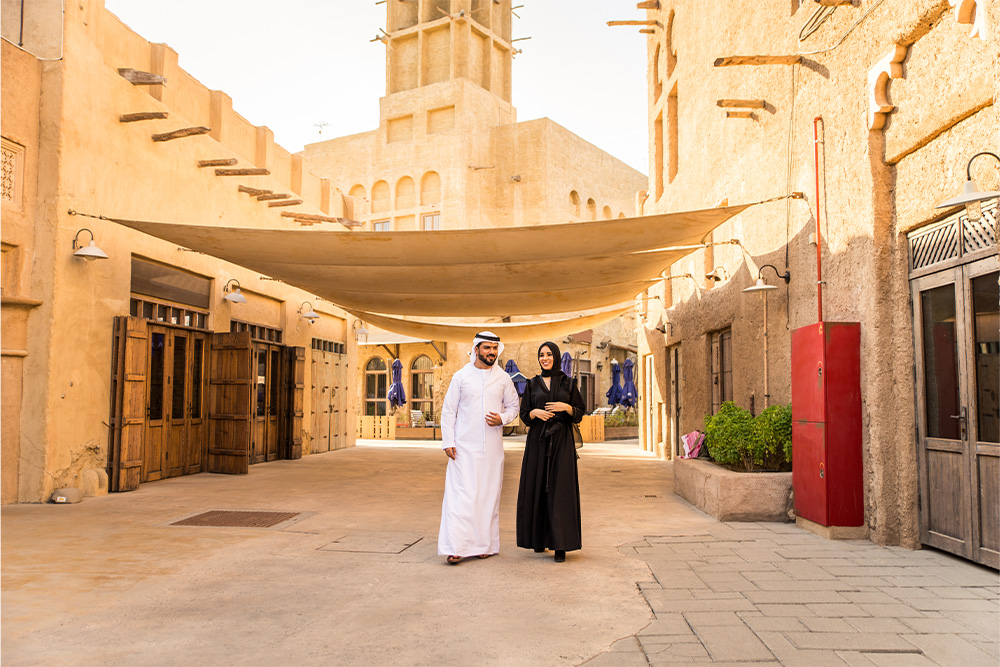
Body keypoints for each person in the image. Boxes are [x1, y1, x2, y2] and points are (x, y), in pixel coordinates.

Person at [438, 331, 520, 565]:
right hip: (462, 448)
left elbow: (514, 407)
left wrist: (502, 418)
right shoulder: (461, 377)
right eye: (487, 348)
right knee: (460, 497)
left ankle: (485, 545)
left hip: (492, 450)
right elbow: (448, 411)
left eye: (495, 348)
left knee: (487, 497)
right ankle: (455, 547)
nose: (491, 352)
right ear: (476, 349)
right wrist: (448, 441)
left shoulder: (503, 378)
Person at [516, 341, 585, 563]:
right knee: (537, 487)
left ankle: (560, 545)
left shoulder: (568, 383)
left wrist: (565, 407)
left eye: (548, 354)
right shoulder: (532, 384)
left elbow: (579, 412)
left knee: (560, 490)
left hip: (562, 442)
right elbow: (524, 414)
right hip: (537, 442)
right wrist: (535, 412)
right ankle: (538, 540)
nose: (545, 358)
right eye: (541, 355)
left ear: (555, 356)